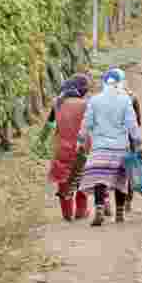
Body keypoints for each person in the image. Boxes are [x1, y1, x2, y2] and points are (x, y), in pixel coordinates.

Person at [77, 67, 142, 225]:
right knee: (120, 181)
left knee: (99, 179)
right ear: (120, 83)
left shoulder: (94, 100)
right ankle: (120, 213)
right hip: (120, 148)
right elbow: (132, 125)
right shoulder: (125, 100)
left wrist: (81, 141)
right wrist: (139, 144)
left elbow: (86, 123)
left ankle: (99, 208)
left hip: (100, 147)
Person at [46, 73, 93, 222]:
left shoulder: (57, 103)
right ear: (81, 90)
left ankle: (67, 214)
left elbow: (50, 124)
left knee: (63, 180)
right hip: (81, 147)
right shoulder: (86, 105)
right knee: (81, 178)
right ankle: (81, 211)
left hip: (62, 147)